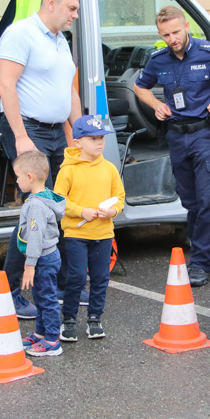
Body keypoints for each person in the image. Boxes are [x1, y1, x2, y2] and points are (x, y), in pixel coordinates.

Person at [134, 5, 210, 287]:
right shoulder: (159, 60)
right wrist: (155, 104)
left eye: (176, 32)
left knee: (208, 199)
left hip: (204, 134)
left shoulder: (208, 53)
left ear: (186, 26)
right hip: (176, 135)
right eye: (166, 34)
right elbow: (140, 87)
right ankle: (201, 245)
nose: (172, 38)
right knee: (189, 200)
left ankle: (203, 263)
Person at [0, 0, 84, 317]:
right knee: (40, 211)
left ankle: (60, 287)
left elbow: (70, 92)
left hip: (57, 132)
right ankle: (11, 291)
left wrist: (77, 134)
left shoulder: (62, 41)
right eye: (71, 8)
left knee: (61, 206)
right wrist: (20, 136)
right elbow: (6, 86)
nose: (75, 15)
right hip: (27, 128)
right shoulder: (21, 34)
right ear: (51, 2)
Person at [54, 115, 126, 342]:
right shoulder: (68, 170)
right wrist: (81, 211)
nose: (100, 143)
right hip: (76, 233)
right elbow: (58, 200)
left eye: (102, 138)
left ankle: (95, 318)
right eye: (93, 138)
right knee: (75, 277)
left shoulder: (110, 168)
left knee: (100, 277)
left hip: (104, 233)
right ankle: (69, 320)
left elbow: (120, 198)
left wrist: (113, 211)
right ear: (77, 142)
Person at [15, 150, 66, 356]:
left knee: (47, 298)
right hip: (46, 257)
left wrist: (30, 265)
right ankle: (41, 333)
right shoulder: (41, 199)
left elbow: (35, 238)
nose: (16, 181)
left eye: (18, 176)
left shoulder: (36, 205)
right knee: (41, 296)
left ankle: (53, 341)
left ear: (29, 177)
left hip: (42, 258)